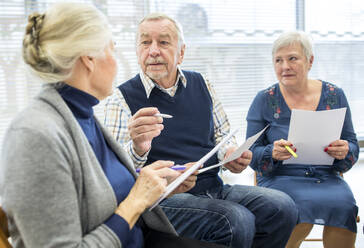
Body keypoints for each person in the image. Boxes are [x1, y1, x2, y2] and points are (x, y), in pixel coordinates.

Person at [0, 3, 226, 248]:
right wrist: (135, 202)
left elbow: (101, 192)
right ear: (89, 60)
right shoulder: (34, 135)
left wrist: (154, 185)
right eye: (112, 50)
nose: (118, 63)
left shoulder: (81, 116)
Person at [104, 13, 298, 248]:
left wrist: (229, 154)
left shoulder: (202, 84)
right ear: (137, 51)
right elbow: (113, 172)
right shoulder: (120, 98)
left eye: (164, 42)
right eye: (145, 42)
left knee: (283, 207)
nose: (153, 51)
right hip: (163, 200)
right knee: (236, 220)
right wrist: (137, 147)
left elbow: (222, 136)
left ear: (181, 52)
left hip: (212, 187)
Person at [246, 31, 359, 248]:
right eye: (278, 60)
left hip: (326, 176)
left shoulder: (335, 95)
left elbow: (352, 144)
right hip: (279, 177)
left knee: (344, 205)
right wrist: (272, 153)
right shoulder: (263, 100)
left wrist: (345, 150)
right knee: (294, 208)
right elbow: (251, 154)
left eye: (292, 58)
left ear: (310, 61)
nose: (284, 66)